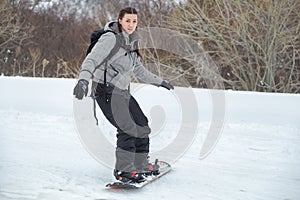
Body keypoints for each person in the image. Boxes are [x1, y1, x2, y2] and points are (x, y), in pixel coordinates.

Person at [73, 6, 174, 183]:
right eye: (127, 20)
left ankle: (140, 163)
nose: (131, 24)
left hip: (121, 91)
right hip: (104, 90)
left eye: (134, 21)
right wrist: (83, 80)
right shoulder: (110, 38)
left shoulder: (131, 42)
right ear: (120, 20)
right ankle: (124, 171)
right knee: (127, 127)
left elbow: (139, 70)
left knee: (141, 124)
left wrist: (160, 82)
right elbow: (91, 60)